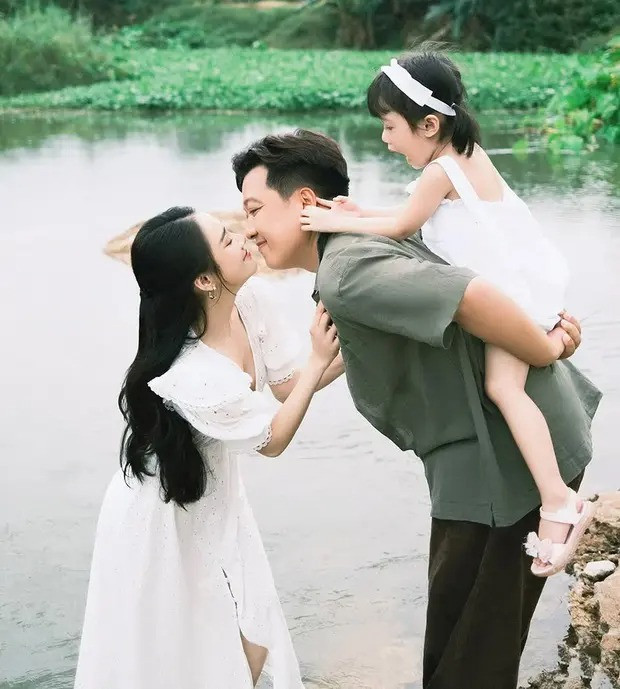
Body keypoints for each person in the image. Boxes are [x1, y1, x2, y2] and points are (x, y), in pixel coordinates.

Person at [231, 129, 602, 689]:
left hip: (500, 466)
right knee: (466, 645)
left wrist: (544, 346)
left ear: (305, 200)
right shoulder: (351, 256)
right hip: (494, 455)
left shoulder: (348, 271)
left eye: (255, 209)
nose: (249, 228)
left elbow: (471, 294)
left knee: (469, 659)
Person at [298, 49, 593, 577]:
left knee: (504, 389)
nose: (385, 139)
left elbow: (401, 227)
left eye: (391, 126)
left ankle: (557, 500)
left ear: (429, 124)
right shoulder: (466, 156)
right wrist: (357, 211)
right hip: (523, 283)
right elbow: (409, 217)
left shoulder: (441, 171)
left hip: (508, 297)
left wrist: (329, 222)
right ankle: (556, 495)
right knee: (507, 387)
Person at [74, 206, 343, 689]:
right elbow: (272, 440)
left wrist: (357, 349)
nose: (243, 238)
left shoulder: (249, 299)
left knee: (249, 635)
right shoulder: (192, 372)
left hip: (215, 498)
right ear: (204, 280)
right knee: (191, 649)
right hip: (163, 513)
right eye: (226, 239)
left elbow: (288, 385)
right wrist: (322, 357)